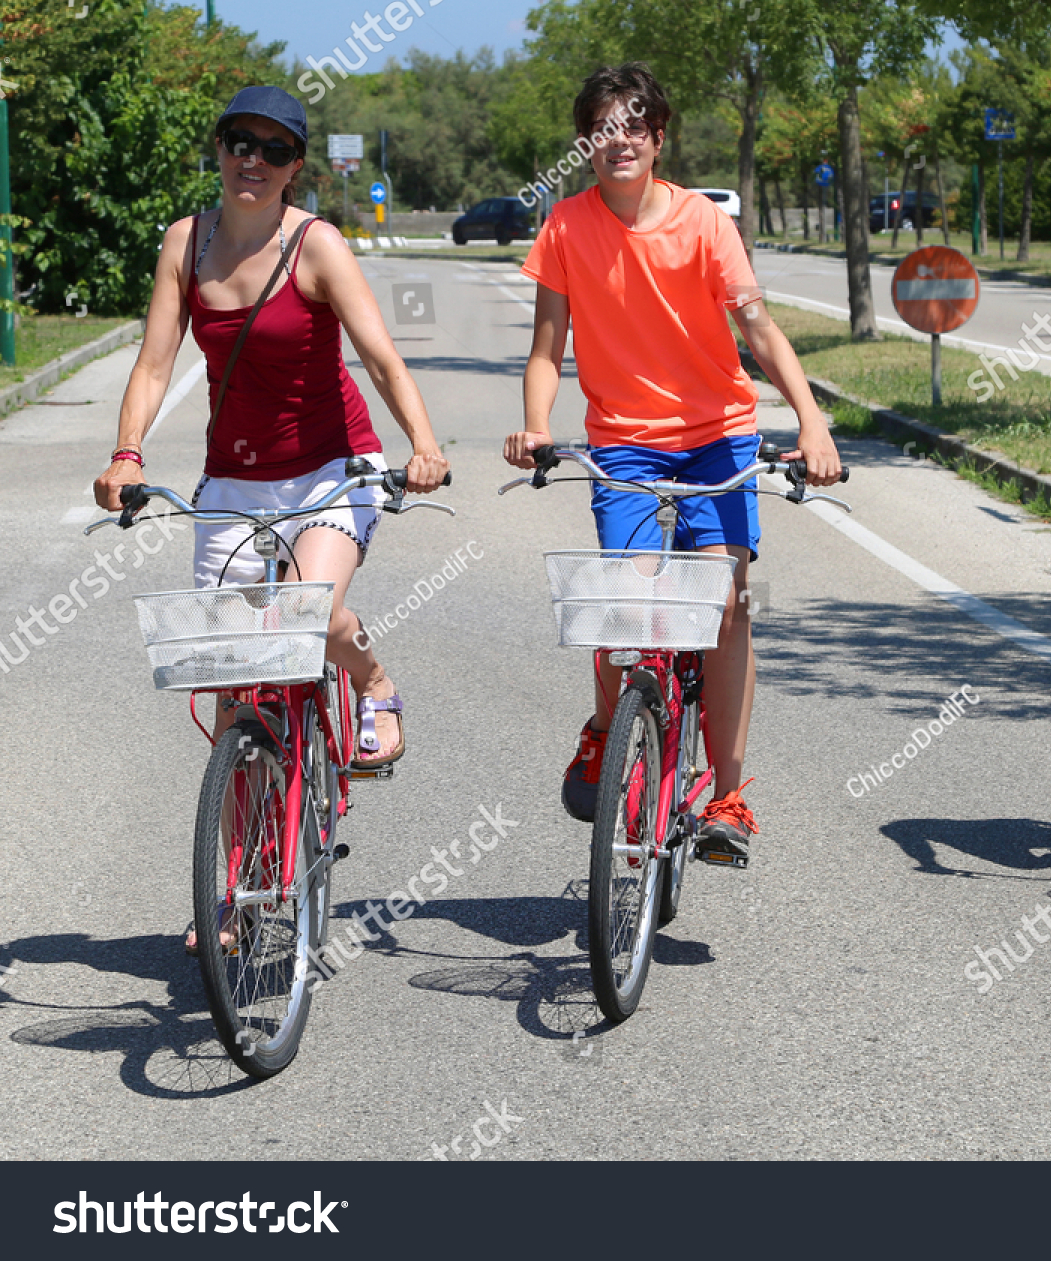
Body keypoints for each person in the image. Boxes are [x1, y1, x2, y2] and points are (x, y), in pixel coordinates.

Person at [92, 86, 450, 946]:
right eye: (237, 142)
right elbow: (152, 363)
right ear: (218, 150)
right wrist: (127, 452)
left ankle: (370, 679)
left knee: (310, 611)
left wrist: (425, 444)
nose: (251, 159)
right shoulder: (188, 243)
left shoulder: (316, 246)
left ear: (295, 168)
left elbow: (379, 353)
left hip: (334, 469)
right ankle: (247, 885)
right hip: (233, 480)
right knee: (233, 679)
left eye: (273, 148)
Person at [503, 63, 841, 864]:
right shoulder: (566, 226)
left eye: (634, 126)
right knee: (619, 607)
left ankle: (725, 794)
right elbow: (547, 346)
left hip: (716, 434)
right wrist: (533, 424)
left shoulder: (703, 224)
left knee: (724, 604)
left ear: (658, 139)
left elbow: (758, 330)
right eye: (603, 127)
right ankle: (605, 730)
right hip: (623, 439)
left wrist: (812, 420)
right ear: (588, 142)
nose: (618, 140)